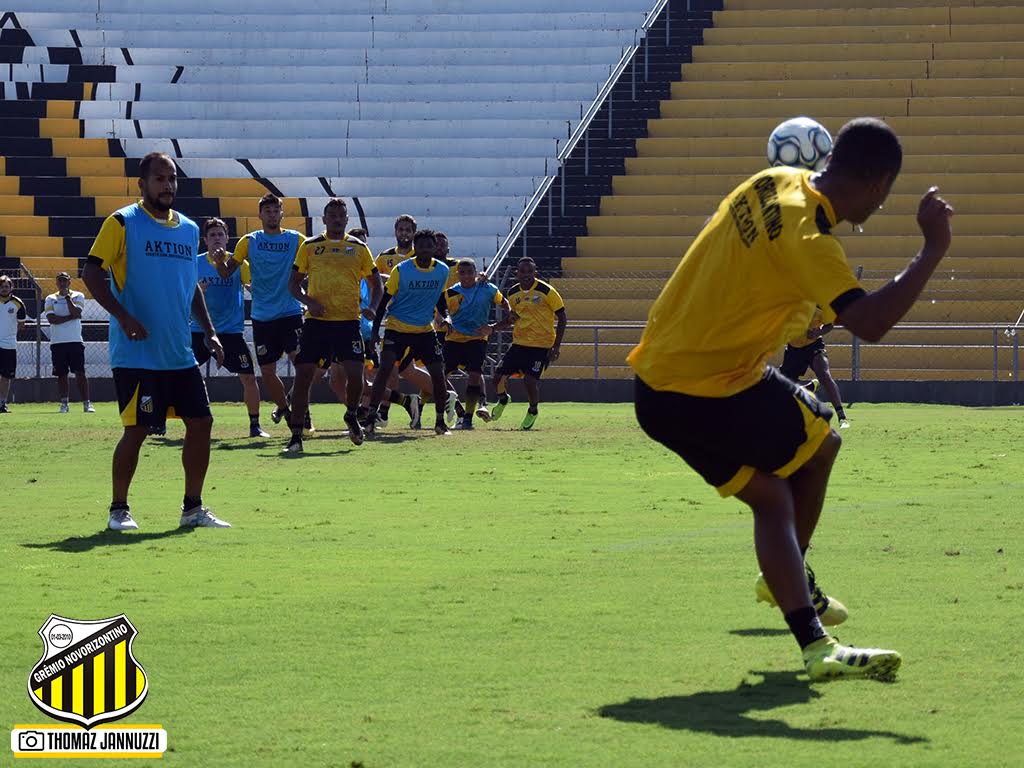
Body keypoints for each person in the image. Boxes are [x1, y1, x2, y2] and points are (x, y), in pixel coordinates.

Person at [628, 118, 954, 680]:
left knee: (795, 474)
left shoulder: (771, 179)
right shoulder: (814, 242)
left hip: (660, 380)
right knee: (795, 477)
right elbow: (870, 323)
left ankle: (793, 592)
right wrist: (932, 249)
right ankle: (807, 624)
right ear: (878, 185)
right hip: (708, 385)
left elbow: (739, 256)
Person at [82, 152, 231, 530]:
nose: (168, 186)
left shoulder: (189, 229)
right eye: (160, 179)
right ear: (142, 184)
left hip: (178, 352)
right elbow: (91, 272)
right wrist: (123, 316)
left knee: (202, 423)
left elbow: (190, 287)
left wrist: (210, 330)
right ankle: (118, 509)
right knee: (137, 430)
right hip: (136, 354)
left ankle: (192, 508)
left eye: (172, 179)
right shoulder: (122, 222)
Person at [282, 199, 381, 453]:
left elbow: (376, 282)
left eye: (341, 215)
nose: (337, 219)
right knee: (304, 377)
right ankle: (296, 435)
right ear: (324, 219)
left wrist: (373, 306)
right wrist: (308, 301)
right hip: (317, 323)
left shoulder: (358, 248)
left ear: (347, 220)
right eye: (332, 215)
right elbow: (293, 284)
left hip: (348, 322)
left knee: (356, 377)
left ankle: (351, 414)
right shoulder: (311, 246)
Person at [225, 194, 311, 432]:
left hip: (290, 312)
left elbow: (315, 262)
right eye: (268, 211)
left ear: (282, 214)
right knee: (267, 372)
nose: (272, 214)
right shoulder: (249, 241)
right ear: (260, 215)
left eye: (276, 210)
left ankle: (304, 413)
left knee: (302, 365)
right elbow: (226, 272)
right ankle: (285, 408)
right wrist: (217, 261)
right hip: (262, 316)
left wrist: (307, 294)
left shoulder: (296, 239)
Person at [366, 229, 451, 435]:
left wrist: (447, 316)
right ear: (415, 248)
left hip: (424, 330)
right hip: (397, 328)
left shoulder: (442, 270)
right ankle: (370, 418)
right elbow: (384, 301)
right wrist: (376, 331)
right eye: (420, 246)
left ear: (434, 248)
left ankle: (440, 421)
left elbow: (440, 298)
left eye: (428, 246)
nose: (424, 250)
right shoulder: (401, 270)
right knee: (385, 370)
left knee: (439, 374)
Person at [192, 218, 267, 438]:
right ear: (205, 240)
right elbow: (180, 294)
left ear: (227, 238)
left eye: (220, 235)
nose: (216, 239)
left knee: (249, 378)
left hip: (231, 332)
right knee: (179, 375)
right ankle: (162, 421)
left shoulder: (238, 264)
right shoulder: (195, 263)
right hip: (199, 330)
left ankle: (255, 425)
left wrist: (258, 289)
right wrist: (197, 292)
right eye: (212, 235)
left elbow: (252, 287)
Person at [490, 257, 567, 430]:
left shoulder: (547, 291)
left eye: (529, 271)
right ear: (517, 274)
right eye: (522, 271)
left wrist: (556, 346)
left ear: (535, 273)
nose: (526, 275)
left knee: (529, 381)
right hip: (519, 344)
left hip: (541, 346)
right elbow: (512, 318)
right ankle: (503, 399)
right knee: (497, 379)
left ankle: (532, 410)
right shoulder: (513, 292)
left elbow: (562, 317)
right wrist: (494, 328)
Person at [441, 258, 511, 429]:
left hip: (477, 340)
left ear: (476, 272)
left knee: (474, 375)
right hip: (454, 340)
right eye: (462, 273)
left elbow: (506, 306)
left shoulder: (488, 289)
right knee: (439, 376)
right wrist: (446, 320)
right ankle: (457, 408)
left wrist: (493, 328)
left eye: (469, 272)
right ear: (457, 274)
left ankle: (468, 419)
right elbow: (442, 312)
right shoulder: (451, 292)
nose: (466, 276)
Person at [779, 307, 849, 429]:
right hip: (793, 350)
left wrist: (817, 333)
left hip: (814, 346)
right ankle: (808, 388)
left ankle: (842, 417)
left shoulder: (818, 303)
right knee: (783, 391)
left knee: (824, 375)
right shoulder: (791, 301)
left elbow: (830, 325)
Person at [44, 271, 94, 413]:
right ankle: (64, 404)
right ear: (56, 282)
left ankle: (87, 403)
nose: (62, 283)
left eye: (64, 280)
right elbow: (52, 319)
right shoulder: (50, 298)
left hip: (75, 341)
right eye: (60, 281)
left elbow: (77, 312)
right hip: (57, 342)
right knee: (61, 374)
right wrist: (71, 317)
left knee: (80, 373)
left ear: (69, 282)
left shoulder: (78, 295)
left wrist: (67, 299)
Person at [0, 273, 26, 413]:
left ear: (11, 287)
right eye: (1, 287)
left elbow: (21, 325)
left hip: (9, 345)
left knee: (6, 376)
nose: (3, 289)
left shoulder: (18, 303)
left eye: (6, 286)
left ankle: (2, 403)